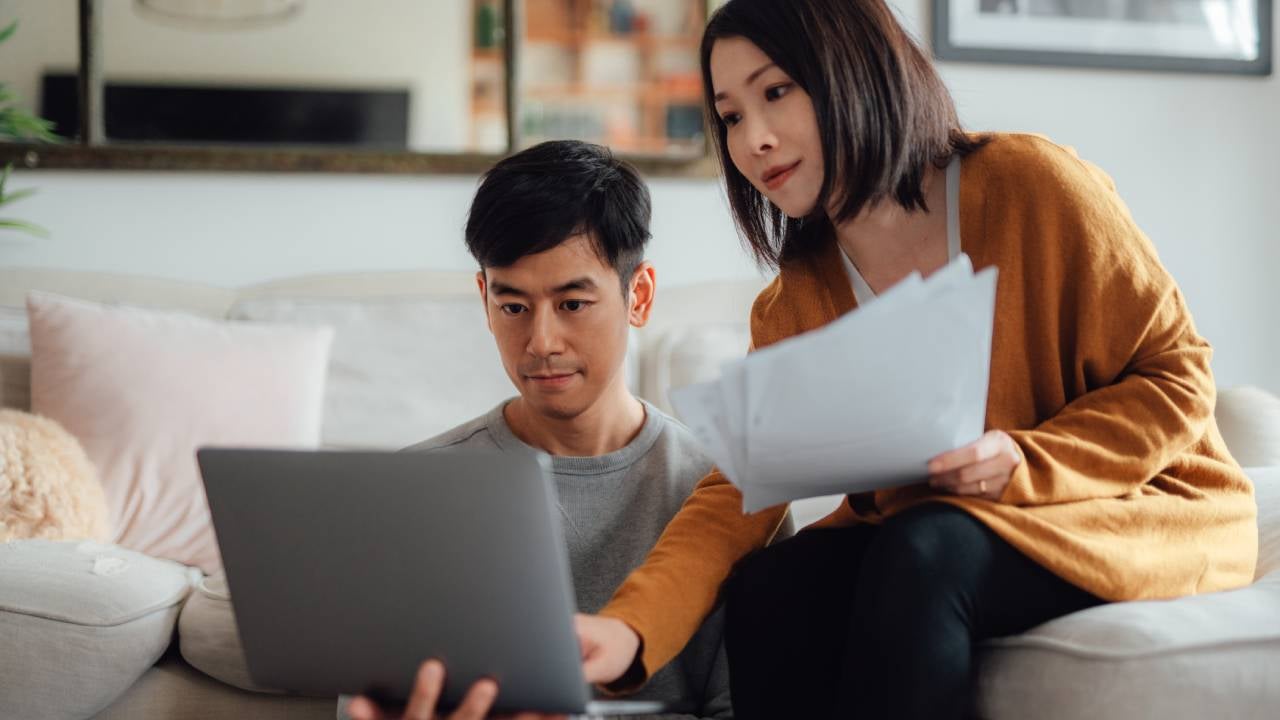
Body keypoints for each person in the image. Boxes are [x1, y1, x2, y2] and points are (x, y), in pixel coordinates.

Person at [571, 1, 1259, 718]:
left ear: (852, 71)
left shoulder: (1036, 186)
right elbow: (741, 492)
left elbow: (1178, 375)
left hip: (1129, 507)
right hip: (948, 528)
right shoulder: (794, 300)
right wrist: (631, 628)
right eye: (732, 116)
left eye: (775, 92)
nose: (755, 141)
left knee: (924, 549)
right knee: (773, 585)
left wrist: (1027, 460)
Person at [346, 140, 757, 720]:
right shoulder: (415, 486)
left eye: (572, 304)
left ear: (637, 295)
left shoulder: (727, 490)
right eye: (514, 307)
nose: (541, 342)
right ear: (484, 299)